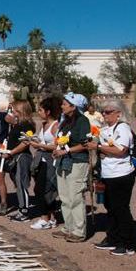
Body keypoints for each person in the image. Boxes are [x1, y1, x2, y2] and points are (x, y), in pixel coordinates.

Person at [86, 100, 136, 255]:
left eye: (108, 112)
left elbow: (121, 150)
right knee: (110, 208)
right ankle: (113, 238)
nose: (104, 114)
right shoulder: (104, 129)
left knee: (121, 208)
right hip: (107, 173)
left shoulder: (122, 128)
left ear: (118, 114)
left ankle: (128, 243)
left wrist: (98, 147)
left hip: (121, 174)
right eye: (103, 111)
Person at [52, 92, 91, 243]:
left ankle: (79, 230)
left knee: (75, 196)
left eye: (65, 104)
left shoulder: (82, 121)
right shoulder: (65, 121)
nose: (62, 106)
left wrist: (67, 150)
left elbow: (85, 144)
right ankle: (68, 226)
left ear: (74, 106)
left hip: (77, 161)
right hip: (63, 161)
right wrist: (58, 149)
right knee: (64, 196)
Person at [28, 95, 62, 230]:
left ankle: (45, 218)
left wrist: (40, 146)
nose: (39, 112)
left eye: (41, 110)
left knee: (43, 189)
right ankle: (52, 216)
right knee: (43, 188)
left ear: (48, 112)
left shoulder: (55, 126)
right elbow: (43, 141)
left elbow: (56, 146)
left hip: (50, 161)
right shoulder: (43, 124)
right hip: (40, 160)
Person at [5, 100, 36, 221]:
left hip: (22, 157)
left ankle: (24, 211)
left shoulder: (27, 125)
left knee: (21, 183)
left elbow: (25, 143)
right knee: (17, 183)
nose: (13, 112)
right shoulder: (19, 124)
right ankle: (21, 207)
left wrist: (11, 152)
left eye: (15, 110)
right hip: (16, 156)